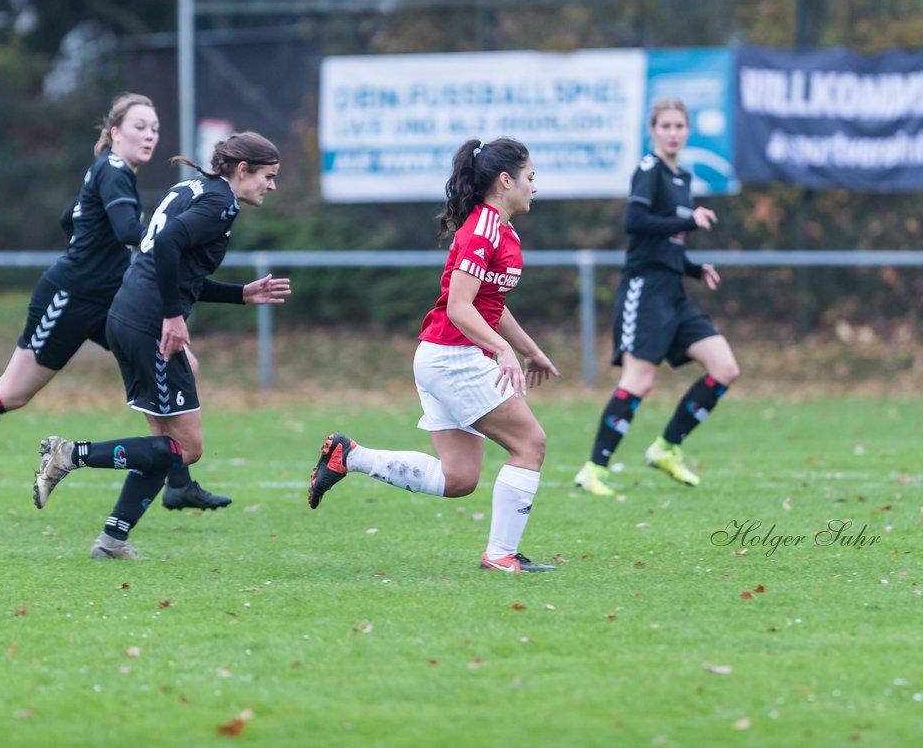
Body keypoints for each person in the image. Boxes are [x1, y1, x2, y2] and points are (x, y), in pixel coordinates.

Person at [0, 93, 227, 511]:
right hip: (70, 297)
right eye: (139, 126)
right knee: (12, 393)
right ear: (115, 132)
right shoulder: (114, 169)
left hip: (112, 301)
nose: (149, 135)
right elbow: (126, 230)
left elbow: (72, 218)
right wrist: (164, 242)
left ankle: (178, 480)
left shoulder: (112, 172)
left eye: (155, 128)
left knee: (178, 364)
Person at [30, 132, 291, 559]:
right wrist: (172, 316)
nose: (272, 186)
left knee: (162, 448)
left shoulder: (190, 188)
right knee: (187, 448)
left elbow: (172, 265)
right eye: (269, 176)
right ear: (242, 171)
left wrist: (239, 293)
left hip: (126, 317)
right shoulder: (220, 204)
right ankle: (69, 454)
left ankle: (113, 540)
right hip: (150, 325)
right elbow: (168, 245)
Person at [307, 137, 561, 573]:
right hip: (454, 358)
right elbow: (461, 308)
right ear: (505, 181)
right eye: (530, 177)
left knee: (459, 478)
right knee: (530, 444)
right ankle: (500, 556)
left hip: (444, 357)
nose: (535, 186)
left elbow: (489, 305)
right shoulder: (482, 230)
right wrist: (502, 352)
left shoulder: (500, 228)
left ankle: (349, 455)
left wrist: (530, 350)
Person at [573, 96, 740, 497]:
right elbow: (637, 222)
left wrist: (695, 268)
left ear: (687, 131)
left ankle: (666, 448)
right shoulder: (649, 170)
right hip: (644, 290)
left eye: (679, 126)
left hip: (674, 293)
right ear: (653, 131)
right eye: (665, 126)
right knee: (640, 380)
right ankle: (593, 469)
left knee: (724, 368)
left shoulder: (682, 177)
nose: (672, 133)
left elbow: (667, 241)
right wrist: (688, 219)